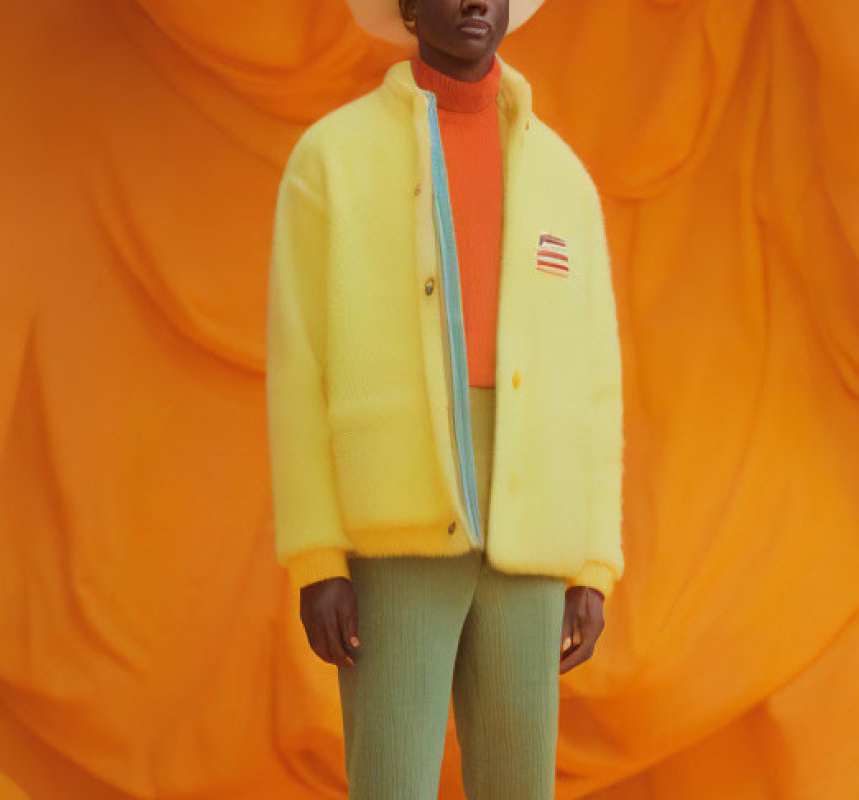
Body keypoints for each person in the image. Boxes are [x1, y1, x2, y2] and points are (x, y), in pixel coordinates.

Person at [266, 0, 624, 796]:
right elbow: (299, 368)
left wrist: (594, 563)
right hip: (391, 534)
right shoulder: (331, 159)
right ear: (404, 7)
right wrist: (316, 556)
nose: (472, 1)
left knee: (518, 785)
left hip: (533, 534)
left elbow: (597, 382)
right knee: (391, 780)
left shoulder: (563, 178)